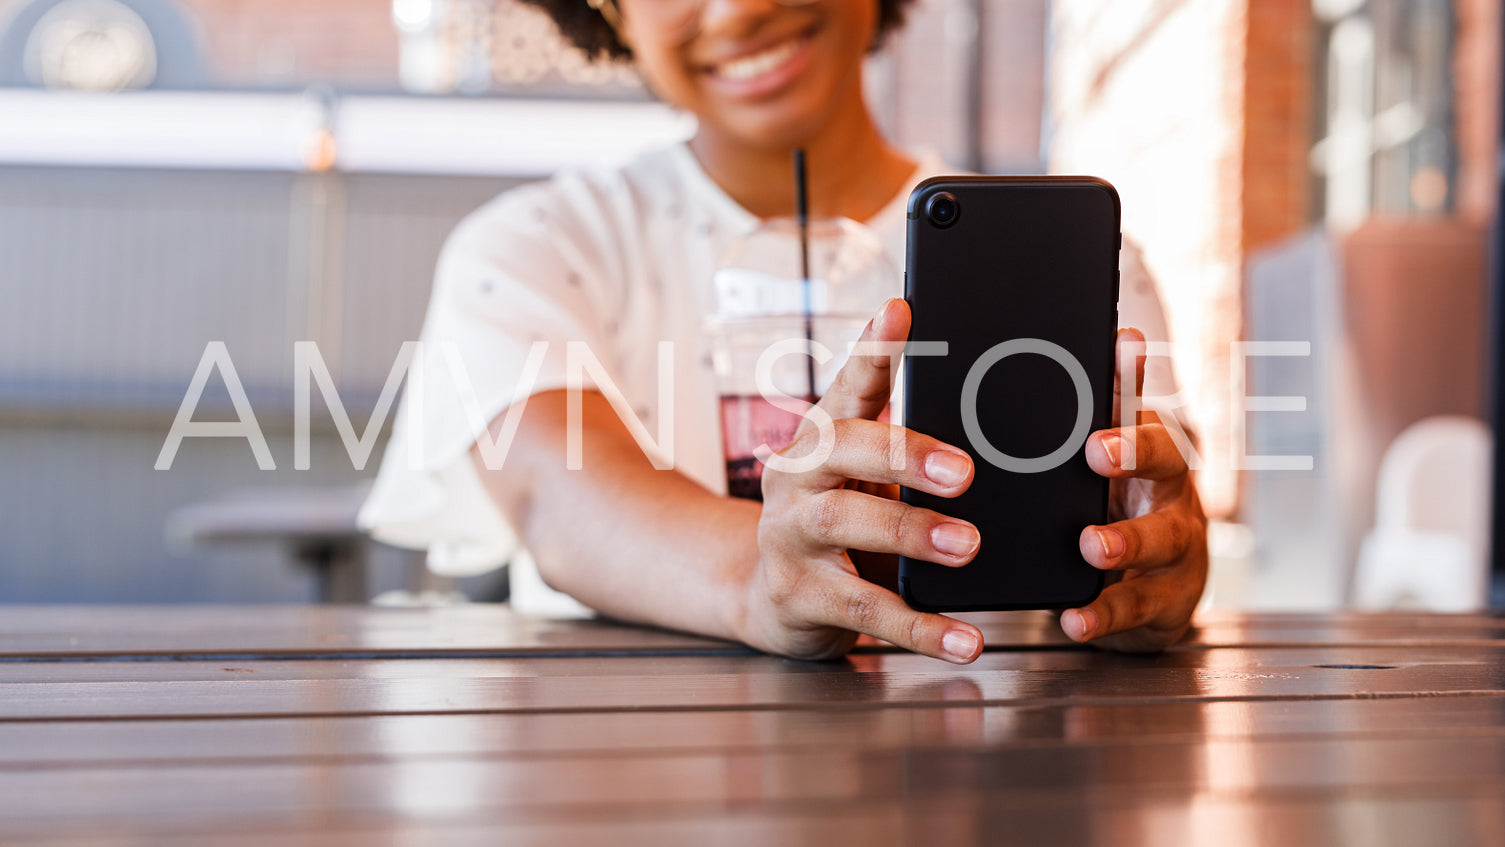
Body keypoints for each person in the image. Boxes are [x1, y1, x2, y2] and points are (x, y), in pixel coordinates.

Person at [360, 0, 1208, 662]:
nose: (736, 11)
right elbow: (559, 499)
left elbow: (1149, 515)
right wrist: (762, 579)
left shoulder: (1078, 260)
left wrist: (1151, 564)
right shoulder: (533, 247)